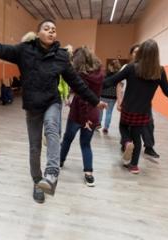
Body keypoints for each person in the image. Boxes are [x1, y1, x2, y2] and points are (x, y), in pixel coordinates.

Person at [0, 17, 107, 203]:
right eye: (47, 28)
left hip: (52, 102)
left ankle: (51, 174)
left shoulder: (62, 56)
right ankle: (37, 181)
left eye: (54, 30)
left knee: (52, 128)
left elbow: (77, 83)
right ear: (38, 32)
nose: (51, 31)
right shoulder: (24, 50)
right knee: (34, 147)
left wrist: (95, 101)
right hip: (33, 105)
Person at [103, 39, 168, 174]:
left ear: (141, 52)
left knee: (123, 127)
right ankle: (134, 166)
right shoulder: (159, 71)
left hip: (128, 108)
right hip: (143, 111)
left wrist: (95, 84)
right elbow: (167, 89)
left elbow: (113, 81)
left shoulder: (131, 67)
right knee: (137, 138)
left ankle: (126, 143)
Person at [60, 46, 104, 187]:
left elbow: (79, 96)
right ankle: (89, 174)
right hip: (92, 113)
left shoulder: (79, 75)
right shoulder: (100, 74)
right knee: (85, 144)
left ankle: (59, 162)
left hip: (79, 112)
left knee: (67, 139)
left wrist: (70, 100)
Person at [117, 44, 160, 160]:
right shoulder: (128, 67)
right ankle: (126, 144)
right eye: (134, 52)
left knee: (148, 124)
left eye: (138, 52)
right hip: (128, 102)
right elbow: (119, 84)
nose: (136, 54)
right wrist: (119, 100)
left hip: (144, 104)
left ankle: (148, 147)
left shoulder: (149, 68)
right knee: (127, 126)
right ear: (131, 54)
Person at [99, 59, 121, 134]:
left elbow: (101, 83)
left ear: (110, 66)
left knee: (100, 110)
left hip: (103, 95)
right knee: (109, 112)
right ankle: (106, 127)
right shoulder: (119, 75)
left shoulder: (105, 74)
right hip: (113, 97)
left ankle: (98, 123)